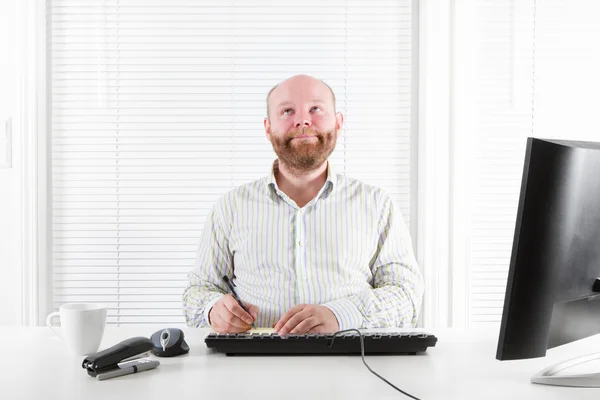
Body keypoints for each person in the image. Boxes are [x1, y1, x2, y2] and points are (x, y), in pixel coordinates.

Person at [182, 74, 424, 335]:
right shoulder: (230, 207)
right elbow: (197, 292)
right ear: (267, 128)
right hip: (253, 366)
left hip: (350, 365)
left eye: (316, 109)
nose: (303, 120)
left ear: (338, 122)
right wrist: (212, 309)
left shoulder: (377, 205)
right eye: (287, 111)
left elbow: (407, 295)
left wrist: (342, 314)